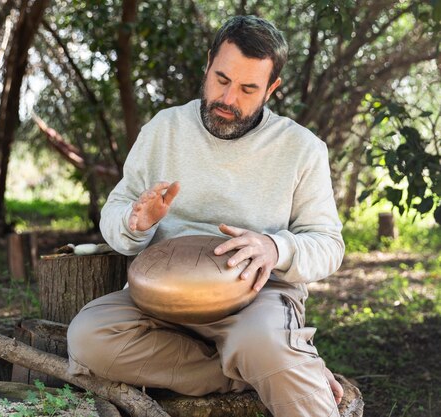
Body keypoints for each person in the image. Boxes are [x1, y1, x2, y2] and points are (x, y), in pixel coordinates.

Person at [67, 15, 345, 417]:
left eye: (249, 88)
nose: (228, 99)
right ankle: (264, 369)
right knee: (88, 338)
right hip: (161, 298)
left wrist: (274, 247)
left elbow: (328, 245)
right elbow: (116, 212)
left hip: (257, 296)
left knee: (262, 344)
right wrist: (136, 222)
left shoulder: (302, 148)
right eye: (222, 79)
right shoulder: (164, 128)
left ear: (272, 88)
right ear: (207, 66)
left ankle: (272, 359)